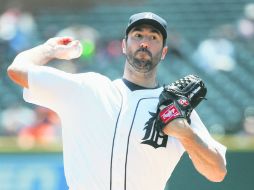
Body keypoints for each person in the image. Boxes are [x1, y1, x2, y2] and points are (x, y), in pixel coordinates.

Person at [7, 12, 227, 190]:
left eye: (154, 37)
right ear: (124, 45)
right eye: (138, 35)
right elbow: (17, 71)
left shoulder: (176, 109)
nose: (144, 42)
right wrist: (49, 49)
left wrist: (186, 134)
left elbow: (217, 172)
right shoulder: (87, 88)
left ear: (164, 52)